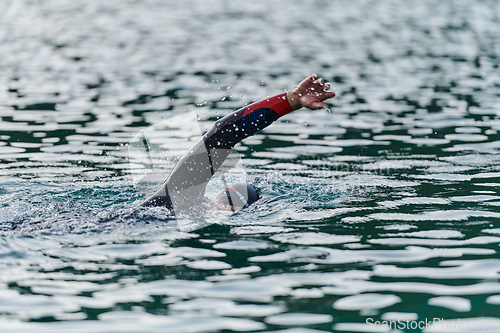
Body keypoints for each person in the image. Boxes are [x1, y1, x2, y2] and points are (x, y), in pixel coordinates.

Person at [141, 74, 336, 213]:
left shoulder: (174, 199)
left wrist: (291, 100)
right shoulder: (180, 199)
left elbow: (223, 134)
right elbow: (223, 134)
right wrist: (292, 100)